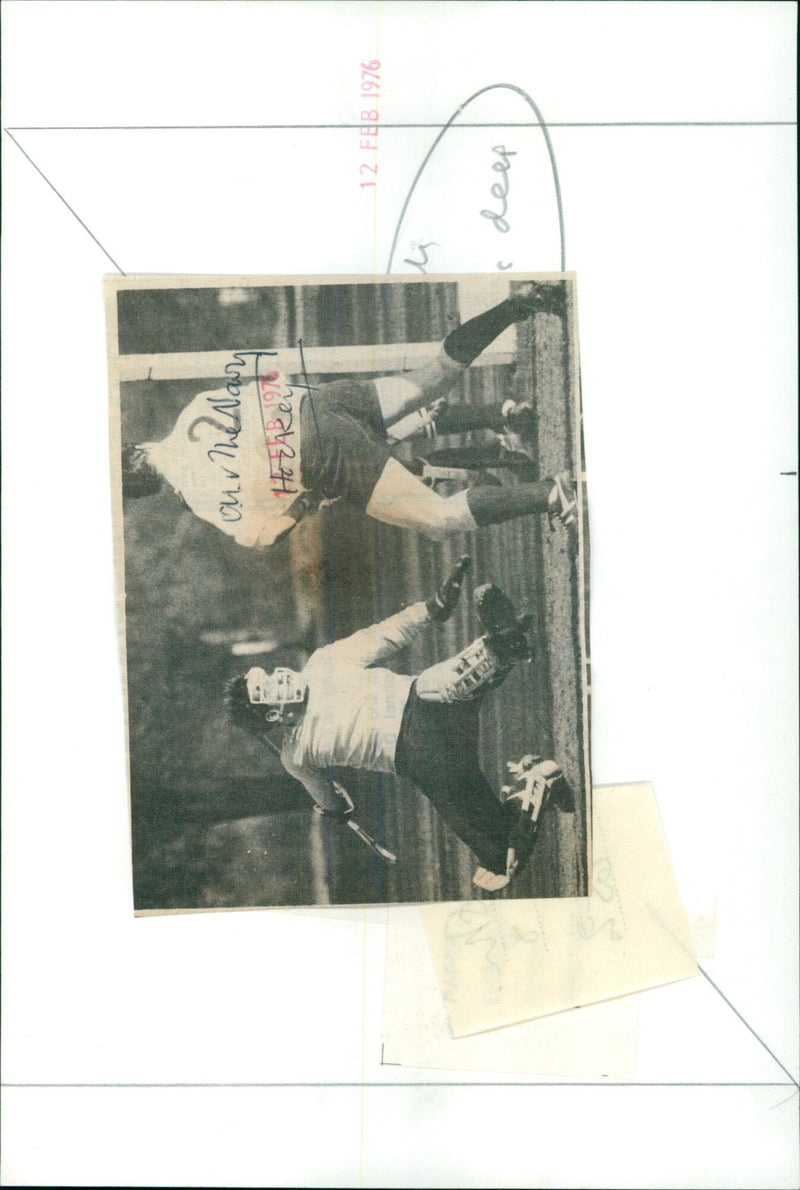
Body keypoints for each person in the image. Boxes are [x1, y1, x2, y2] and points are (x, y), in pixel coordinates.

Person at [122, 282, 576, 549]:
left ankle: (551, 494)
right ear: (137, 449)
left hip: (320, 452)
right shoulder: (193, 412)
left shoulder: (195, 494)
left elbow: (264, 538)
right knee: (433, 376)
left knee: (438, 521)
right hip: (321, 403)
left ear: (143, 487)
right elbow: (265, 387)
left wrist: (302, 501)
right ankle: (518, 305)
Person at [223, 556, 569, 890]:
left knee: (438, 685)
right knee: (499, 861)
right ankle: (532, 783)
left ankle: (499, 647)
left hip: (425, 712)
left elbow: (382, 635)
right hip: (422, 758)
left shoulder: (322, 664)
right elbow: (328, 798)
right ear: (272, 715)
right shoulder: (295, 755)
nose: (277, 678)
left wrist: (430, 608)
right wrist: (336, 808)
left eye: (268, 675)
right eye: (268, 689)